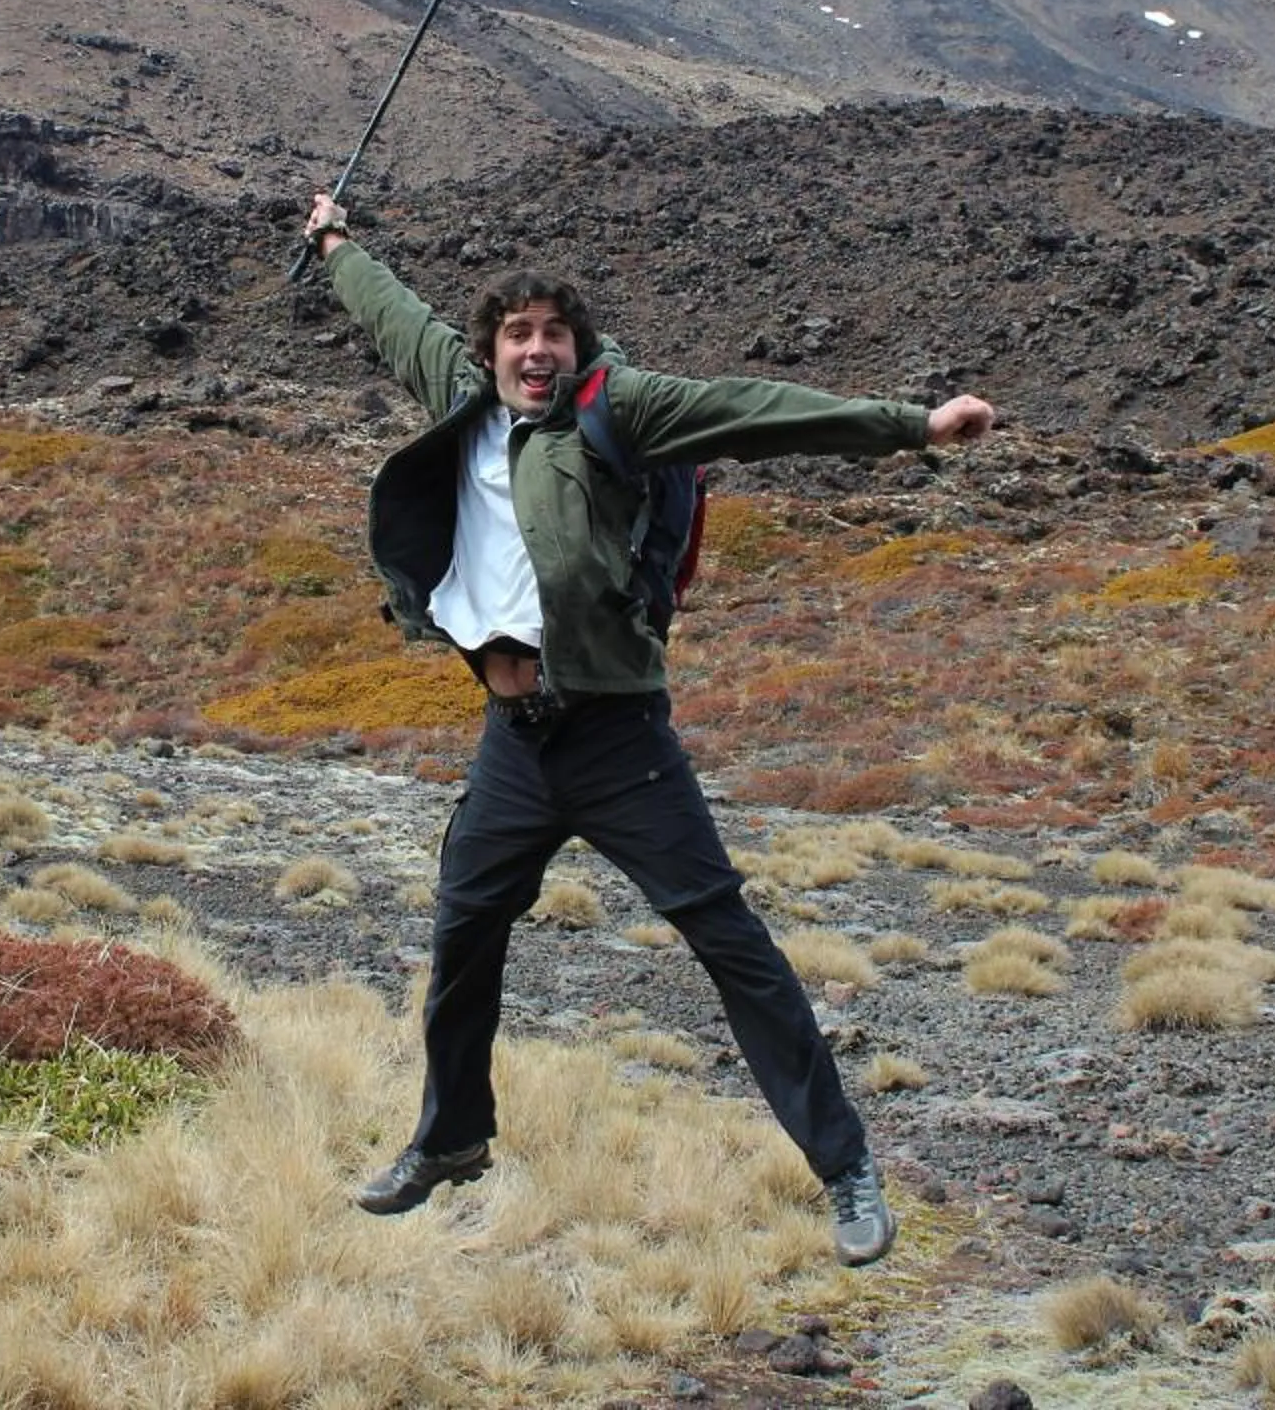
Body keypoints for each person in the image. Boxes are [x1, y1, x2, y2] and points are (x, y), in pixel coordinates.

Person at [302, 191, 995, 1266]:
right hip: (514, 746)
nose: (535, 349)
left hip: (620, 740)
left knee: (730, 942)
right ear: (489, 348)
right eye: (517, 333)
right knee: (462, 933)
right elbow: (391, 311)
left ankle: (845, 1165)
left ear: (576, 346)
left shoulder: (623, 405)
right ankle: (451, 1138)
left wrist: (915, 425)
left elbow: (760, 409)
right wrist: (336, 239)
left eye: (553, 333)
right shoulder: (459, 393)